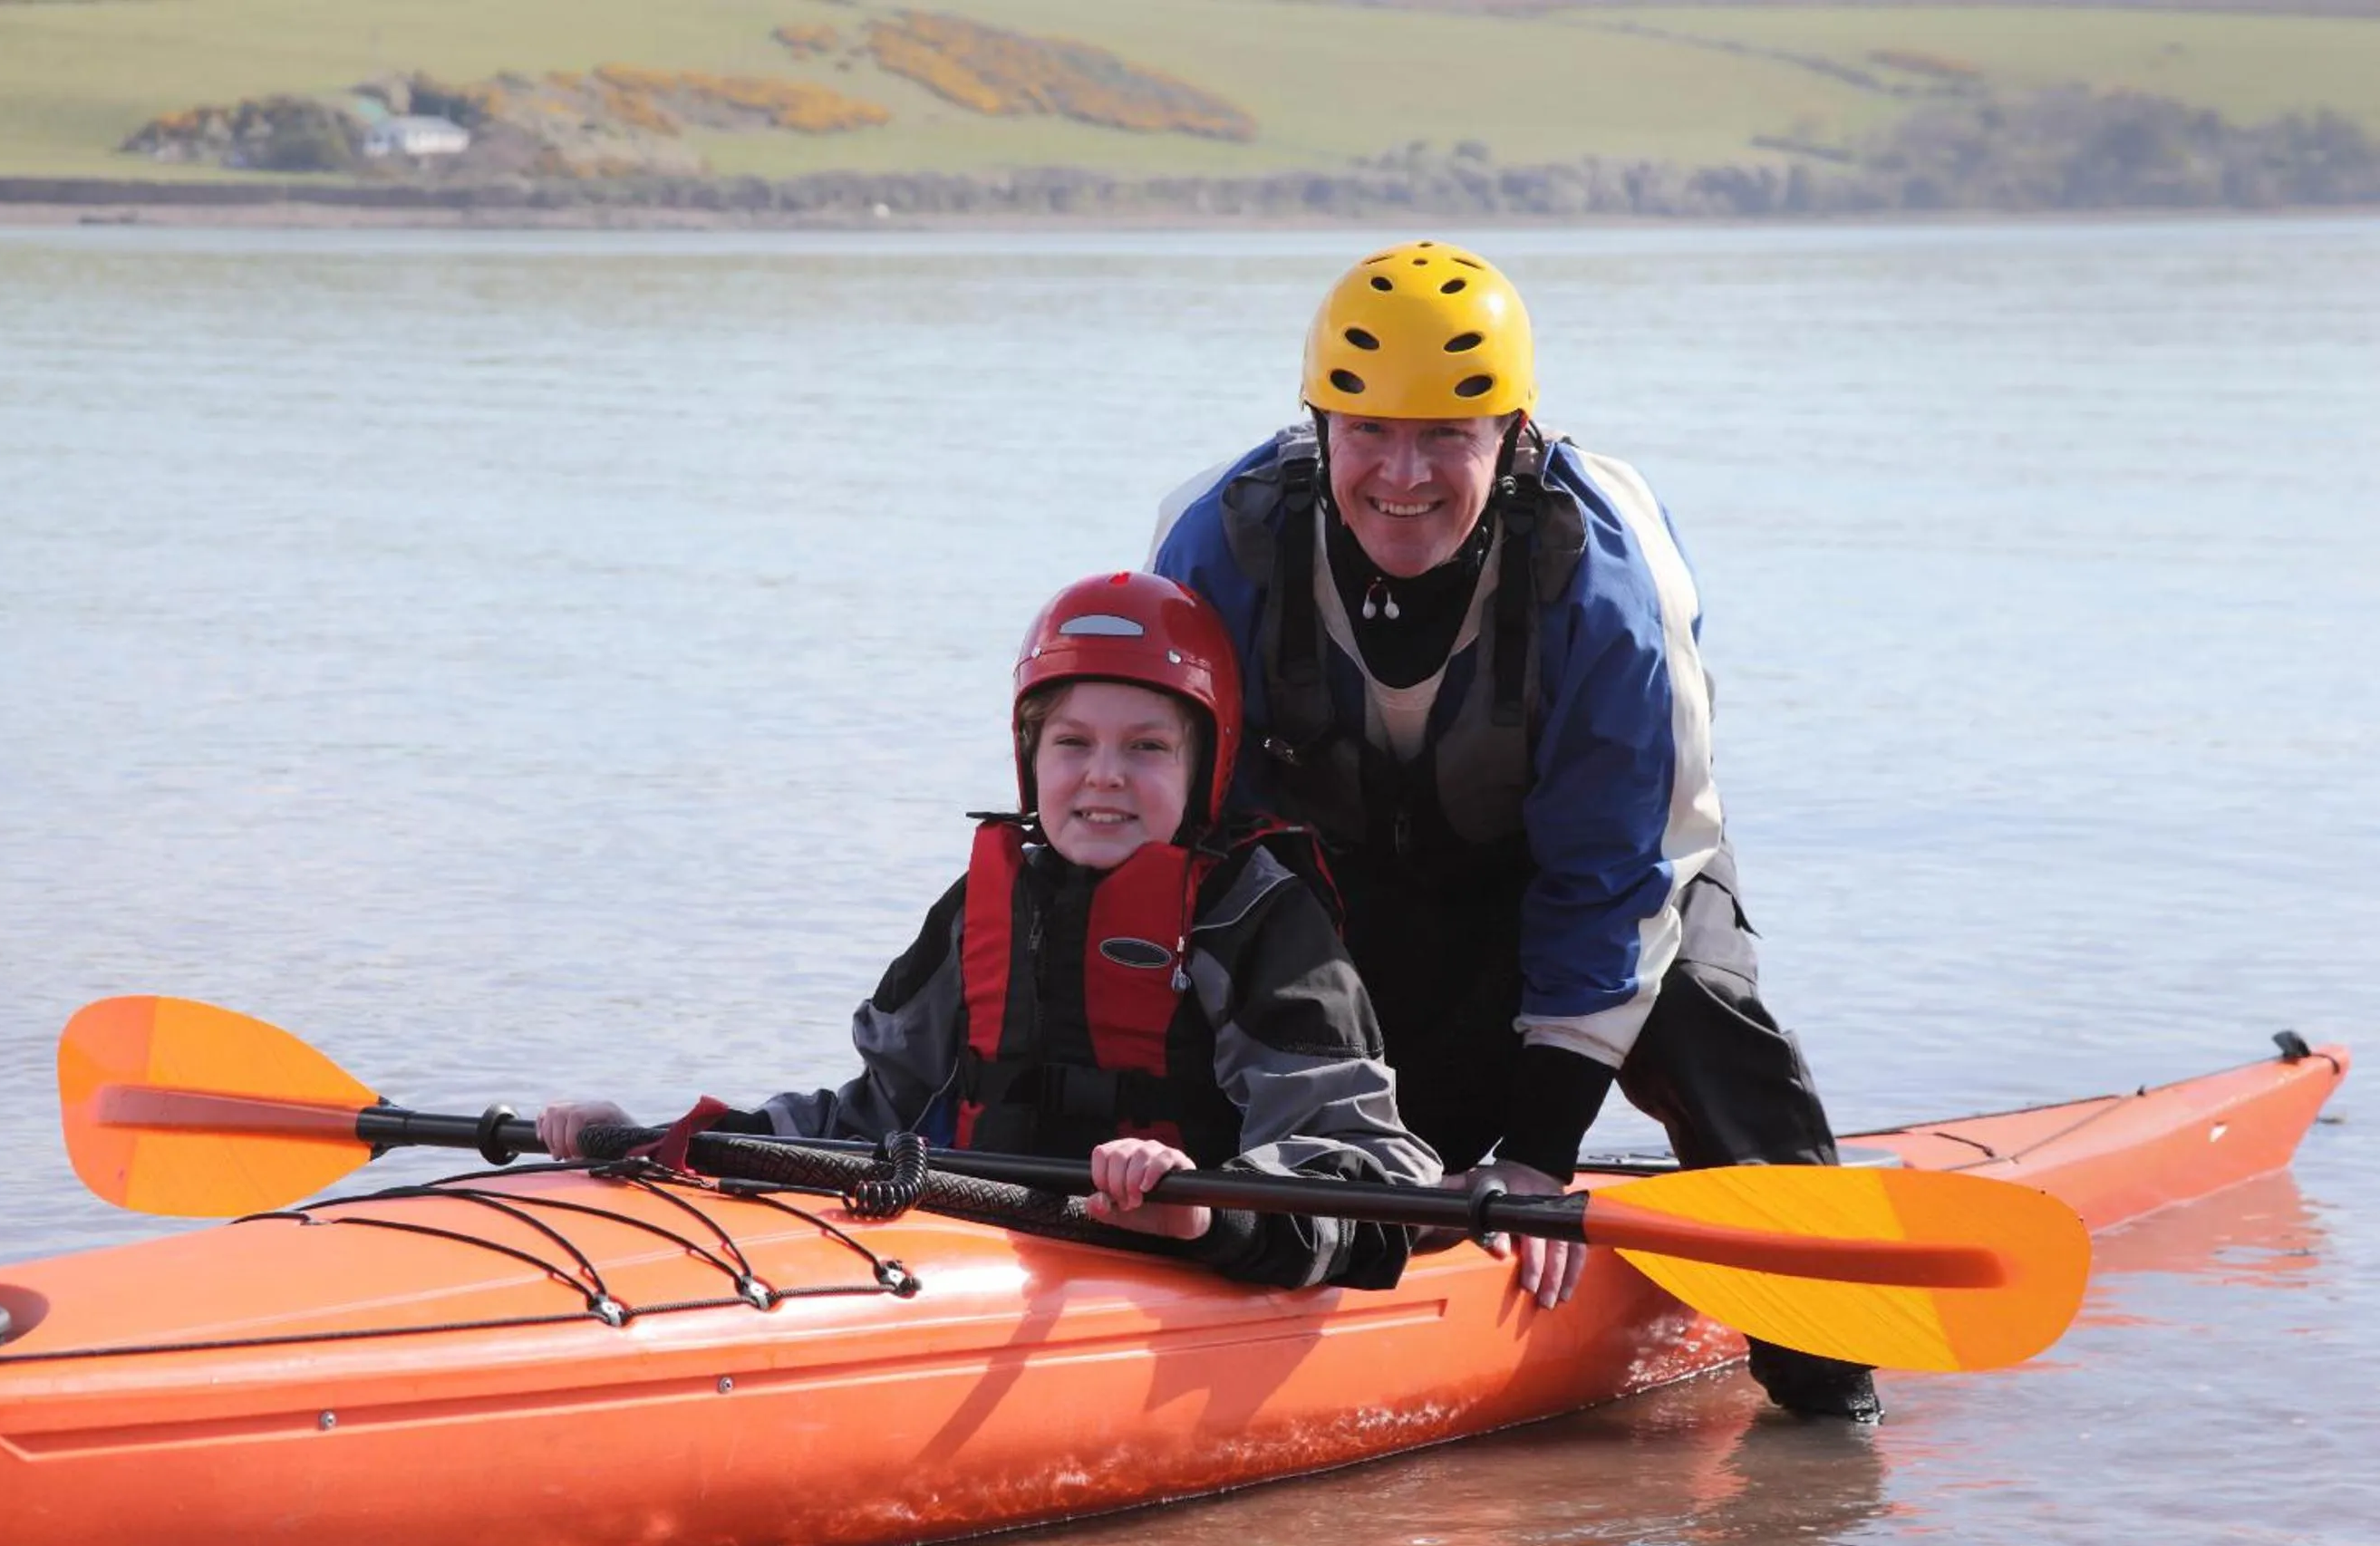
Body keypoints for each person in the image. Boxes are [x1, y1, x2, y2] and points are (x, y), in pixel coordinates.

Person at [1148, 240, 1880, 1418]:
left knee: (1704, 1035)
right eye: (1367, 429)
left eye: (1448, 431)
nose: (1402, 472)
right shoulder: (1215, 546)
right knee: (1346, 1123)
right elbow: (1188, 839)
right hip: (1369, 893)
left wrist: (1539, 1153)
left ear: (1513, 430)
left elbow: (1618, 879)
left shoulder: (1599, 584)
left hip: (1627, 883)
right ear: (1315, 422)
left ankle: (1825, 1392)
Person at [537, 569, 1440, 1291]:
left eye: (1148, 747)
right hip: (980, 1257)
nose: (1105, 776)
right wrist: (663, 1139)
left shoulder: (1258, 918)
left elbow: (1372, 1168)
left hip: (1189, 1268)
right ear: (1029, 758)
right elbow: (867, 1115)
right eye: (1072, 743)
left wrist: (1201, 1212)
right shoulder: (982, 906)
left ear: (1206, 763)